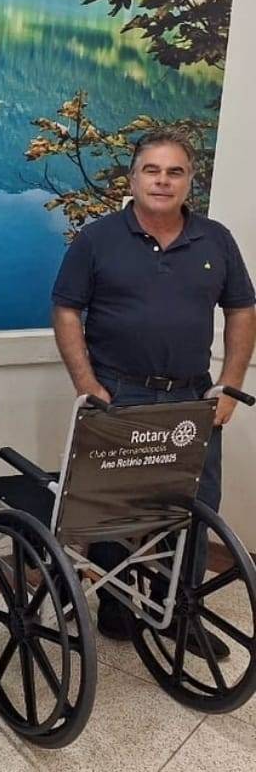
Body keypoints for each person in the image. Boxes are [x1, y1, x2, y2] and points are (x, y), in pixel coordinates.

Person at [52, 126, 255, 656]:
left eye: (174, 172)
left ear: (190, 180)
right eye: (152, 170)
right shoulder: (97, 238)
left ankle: (179, 612)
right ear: (134, 176)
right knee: (112, 505)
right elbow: (67, 310)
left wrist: (229, 386)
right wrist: (87, 385)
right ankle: (116, 602)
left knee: (192, 507)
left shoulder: (216, 239)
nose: (162, 181)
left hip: (194, 400)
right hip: (120, 395)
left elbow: (242, 310)